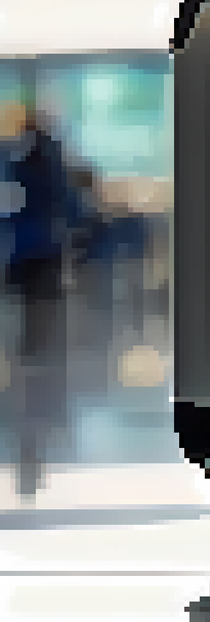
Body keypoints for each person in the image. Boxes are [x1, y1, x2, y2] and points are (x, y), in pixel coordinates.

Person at [0, 103, 92, 502]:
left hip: (18, 256)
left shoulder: (13, 161)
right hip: (47, 256)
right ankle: (37, 367)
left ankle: (23, 363)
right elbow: (73, 211)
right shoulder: (54, 165)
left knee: (21, 323)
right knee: (44, 329)